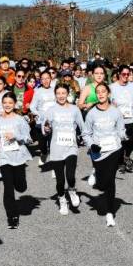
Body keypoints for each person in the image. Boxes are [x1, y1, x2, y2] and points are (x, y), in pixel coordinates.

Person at [83, 83, 126, 227]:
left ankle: (109, 213)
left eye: (103, 91)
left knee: (110, 181)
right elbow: (86, 133)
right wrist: (91, 145)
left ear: (108, 93)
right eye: (98, 92)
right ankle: (95, 171)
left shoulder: (116, 112)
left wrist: (126, 135)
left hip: (114, 149)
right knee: (101, 184)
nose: (101, 94)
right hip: (98, 152)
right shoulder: (91, 113)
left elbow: (120, 131)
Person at [42, 84, 84, 216]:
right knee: (60, 180)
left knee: (70, 176)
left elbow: (82, 127)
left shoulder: (74, 109)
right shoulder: (50, 110)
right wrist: (47, 129)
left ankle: (72, 190)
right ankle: (62, 199)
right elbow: (45, 129)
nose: (61, 96)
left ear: (68, 94)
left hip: (71, 147)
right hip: (56, 149)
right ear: (55, 95)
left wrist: (89, 141)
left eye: (63, 93)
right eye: (58, 93)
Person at [0, 92, 32, 229]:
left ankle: (21, 182)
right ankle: (12, 216)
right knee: (8, 188)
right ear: (2, 104)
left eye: (10, 103)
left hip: (19, 157)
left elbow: (28, 139)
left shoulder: (20, 119)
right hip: (5, 157)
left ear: (14, 104)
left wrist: (15, 135)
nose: (7, 105)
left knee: (20, 187)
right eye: (5, 103)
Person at [109, 65, 133, 172]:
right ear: (119, 74)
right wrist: (111, 105)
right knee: (121, 141)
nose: (126, 76)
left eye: (128, 74)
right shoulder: (112, 87)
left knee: (132, 140)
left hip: (131, 117)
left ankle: (126, 156)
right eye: (124, 74)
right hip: (118, 118)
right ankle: (120, 162)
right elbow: (107, 101)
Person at [30, 70, 56, 166]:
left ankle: (55, 167)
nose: (45, 81)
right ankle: (44, 153)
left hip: (53, 121)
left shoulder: (55, 90)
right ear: (40, 80)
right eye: (43, 79)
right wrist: (38, 114)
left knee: (53, 144)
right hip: (41, 122)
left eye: (47, 78)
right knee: (42, 145)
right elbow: (32, 106)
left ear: (51, 79)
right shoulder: (37, 91)